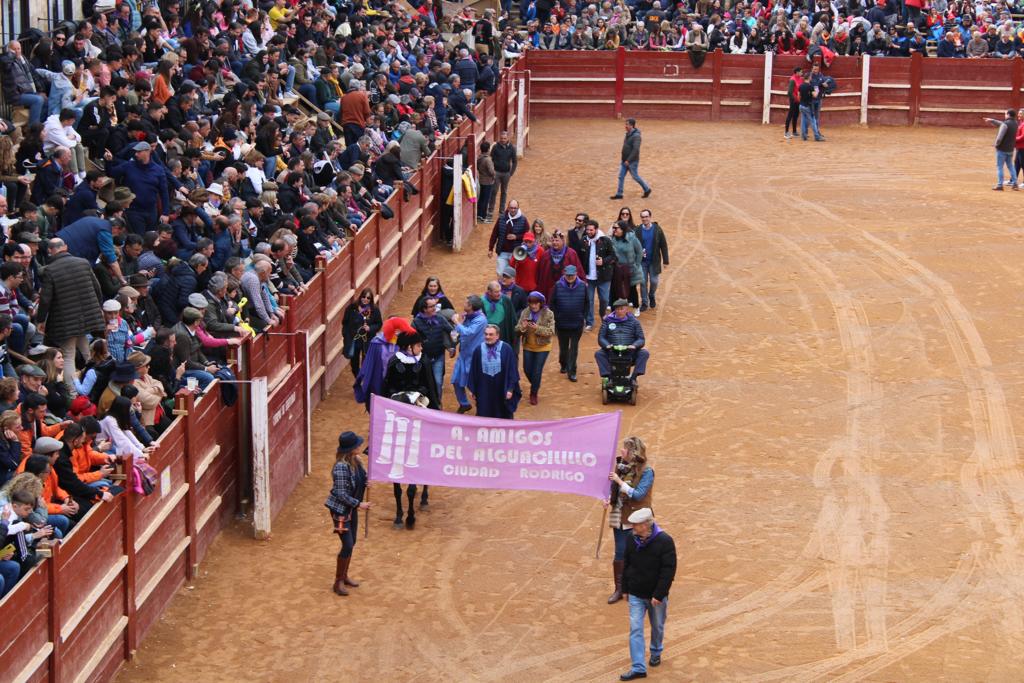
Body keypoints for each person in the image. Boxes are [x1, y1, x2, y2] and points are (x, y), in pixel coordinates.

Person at [382, 331, 438, 529]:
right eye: (418, 345)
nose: (421, 348)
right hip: (398, 407)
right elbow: (386, 388)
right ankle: (399, 510)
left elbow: (430, 387)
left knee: (427, 441)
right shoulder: (393, 362)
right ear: (409, 347)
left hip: (419, 405)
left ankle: (422, 491)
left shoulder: (424, 363)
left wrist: (422, 400)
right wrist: (398, 397)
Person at [37, 238, 106, 393]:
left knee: (68, 355)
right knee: (87, 351)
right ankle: (97, 382)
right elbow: (97, 287)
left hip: (65, 319)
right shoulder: (83, 262)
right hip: (87, 315)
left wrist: (40, 320)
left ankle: (73, 392)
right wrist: (98, 307)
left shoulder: (50, 270)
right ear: (66, 247)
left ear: (50, 251)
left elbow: (46, 298)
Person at [619, 507, 676, 681]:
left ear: (646, 525)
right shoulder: (631, 538)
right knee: (635, 628)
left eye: (636, 524)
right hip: (636, 593)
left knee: (657, 626)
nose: (632, 527)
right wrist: (626, 589)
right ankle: (638, 667)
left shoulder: (665, 541)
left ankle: (656, 650)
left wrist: (659, 595)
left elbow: (668, 570)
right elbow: (627, 563)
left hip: (655, 597)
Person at [606, 436, 653, 604]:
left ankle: (642, 587)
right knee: (620, 553)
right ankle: (620, 589)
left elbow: (638, 494)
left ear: (633, 452)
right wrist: (609, 498)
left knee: (643, 552)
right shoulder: (621, 467)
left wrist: (619, 482)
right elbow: (615, 491)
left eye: (624, 449)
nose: (621, 451)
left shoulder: (647, 471)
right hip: (618, 515)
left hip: (637, 519)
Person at [324, 430, 370, 596]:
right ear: (351, 449)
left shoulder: (356, 461)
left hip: (351, 509)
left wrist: (367, 482)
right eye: (357, 444)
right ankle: (338, 582)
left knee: (353, 542)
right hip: (341, 511)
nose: (359, 446)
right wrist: (359, 504)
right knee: (348, 544)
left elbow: (360, 479)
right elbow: (341, 494)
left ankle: (344, 576)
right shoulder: (341, 467)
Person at [467, 324, 521, 419]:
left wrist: (510, 389)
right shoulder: (478, 350)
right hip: (484, 389)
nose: (488, 337)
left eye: (491, 334)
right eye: (486, 334)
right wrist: (473, 389)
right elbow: (473, 371)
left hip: (501, 388)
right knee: (484, 413)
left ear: (497, 336)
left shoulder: (506, 349)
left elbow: (512, 370)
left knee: (503, 414)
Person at [596, 299, 650, 386]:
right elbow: (601, 337)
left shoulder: (634, 322)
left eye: (621, 309)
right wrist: (607, 345)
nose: (619, 311)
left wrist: (634, 345)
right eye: (617, 309)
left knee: (644, 353)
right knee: (599, 354)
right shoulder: (607, 321)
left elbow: (641, 339)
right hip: (612, 351)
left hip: (629, 352)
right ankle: (609, 378)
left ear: (627, 309)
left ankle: (633, 378)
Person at [411, 296, 454, 402]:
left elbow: (451, 331)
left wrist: (452, 345)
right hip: (422, 358)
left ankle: (437, 405)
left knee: (438, 382)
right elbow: (411, 339)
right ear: (424, 309)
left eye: (435, 306)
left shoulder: (440, 318)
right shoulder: (416, 322)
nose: (435, 308)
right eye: (432, 306)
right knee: (422, 382)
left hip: (438, 356)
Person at [548, 265, 587, 382]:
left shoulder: (582, 286)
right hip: (562, 324)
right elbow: (552, 303)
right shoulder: (558, 286)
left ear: (576, 275)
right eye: (568, 275)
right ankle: (563, 364)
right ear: (564, 275)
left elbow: (587, 303)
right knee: (564, 348)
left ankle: (572, 371)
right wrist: (556, 317)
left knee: (574, 349)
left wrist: (583, 317)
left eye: (572, 275)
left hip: (577, 323)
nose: (570, 277)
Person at [451, 295, 488, 414]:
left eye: (466, 303)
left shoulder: (480, 320)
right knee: (456, 381)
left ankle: (482, 408)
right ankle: (464, 404)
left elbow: (468, 333)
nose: (464, 304)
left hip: (475, 358)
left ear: (471, 306)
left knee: (474, 385)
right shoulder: (469, 316)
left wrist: (457, 322)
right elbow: (459, 333)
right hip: (464, 354)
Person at [516, 292, 554, 405]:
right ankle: (536, 384)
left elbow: (551, 331)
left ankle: (534, 393)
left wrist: (537, 328)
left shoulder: (548, 313)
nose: (533, 306)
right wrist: (522, 328)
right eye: (531, 303)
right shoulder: (525, 312)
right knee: (527, 369)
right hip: (528, 345)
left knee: (537, 371)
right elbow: (517, 330)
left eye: (536, 303)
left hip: (543, 346)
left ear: (541, 303)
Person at [581, 220, 616, 331]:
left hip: (603, 277)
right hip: (589, 277)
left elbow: (613, 256)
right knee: (589, 300)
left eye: (591, 230)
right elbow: (580, 257)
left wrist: (603, 261)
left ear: (596, 229)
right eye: (587, 230)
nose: (589, 232)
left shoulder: (605, 240)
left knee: (604, 299)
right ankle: (590, 322)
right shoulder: (583, 240)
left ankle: (603, 316)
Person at [342, 288, 383, 378]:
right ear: (360, 296)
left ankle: (365, 380)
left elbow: (379, 324)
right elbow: (345, 322)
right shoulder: (352, 308)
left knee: (367, 362)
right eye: (364, 297)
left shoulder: (374, 309)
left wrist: (370, 328)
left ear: (371, 299)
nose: (365, 299)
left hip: (367, 340)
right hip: (354, 340)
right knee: (354, 363)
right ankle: (358, 378)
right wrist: (346, 335)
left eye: (368, 298)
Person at [536, 230, 584, 301]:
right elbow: (541, 274)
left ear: (563, 241)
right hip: (548, 289)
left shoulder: (571, 254)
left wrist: (582, 284)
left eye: (557, 240)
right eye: (553, 240)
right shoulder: (545, 255)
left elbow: (578, 270)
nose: (554, 243)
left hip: (566, 290)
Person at [636, 210, 669, 311]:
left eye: (646, 216)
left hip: (654, 261)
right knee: (643, 283)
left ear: (650, 217)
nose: (644, 219)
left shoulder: (657, 229)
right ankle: (644, 302)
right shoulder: (637, 230)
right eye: (642, 217)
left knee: (654, 281)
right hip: (642, 262)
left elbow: (663, 244)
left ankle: (651, 295)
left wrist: (666, 260)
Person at [610, 118, 651, 200]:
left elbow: (636, 150)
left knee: (635, 176)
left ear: (632, 125)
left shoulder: (637, 136)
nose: (625, 126)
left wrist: (628, 160)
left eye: (627, 124)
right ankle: (619, 194)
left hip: (632, 161)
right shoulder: (628, 134)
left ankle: (647, 189)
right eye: (625, 124)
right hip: (624, 160)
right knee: (621, 176)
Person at [488, 199, 529, 277]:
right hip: (502, 252)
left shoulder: (523, 220)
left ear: (518, 208)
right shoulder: (501, 218)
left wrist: (516, 237)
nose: (513, 210)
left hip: (516, 254)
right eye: (511, 208)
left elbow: (527, 236)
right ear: (508, 208)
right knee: (500, 274)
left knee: (515, 275)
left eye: (515, 208)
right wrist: (490, 249)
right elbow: (494, 234)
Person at [985, 109, 1019, 191]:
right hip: (1010, 149)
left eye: (1005, 114)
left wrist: (996, 145)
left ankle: (1000, 185)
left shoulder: (1005, 124)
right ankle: (1015, 183)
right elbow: (1002, 124)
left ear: (1008, 114)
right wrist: (992, 120)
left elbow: (1000, 137)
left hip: (1002, 149)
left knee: (1000, 167)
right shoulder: (1015, 123)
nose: (1005, 115)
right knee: (1010, 166)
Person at [490, 130, 517, 217]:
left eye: (504, 138)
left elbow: (515, 161)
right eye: (501, 138)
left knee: (504, 192)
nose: (503, 140)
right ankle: (491, 210)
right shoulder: (495, 147)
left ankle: (501, 211)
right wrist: (493, 170)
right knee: (494, 191)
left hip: (506, 174)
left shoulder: (512, 148)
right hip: (497, 173)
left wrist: (511, 173)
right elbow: (491, 159)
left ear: (507, 138)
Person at [799, 73, 823, 142]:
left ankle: (804, 136)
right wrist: (817, 90)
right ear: (809, 78)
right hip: (808, 106)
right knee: (813, 121)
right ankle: (817, 136)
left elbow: (799, 95)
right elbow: (815, 95)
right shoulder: (810, 86)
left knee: (803, 120)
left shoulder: (801, 86)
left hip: (801, 105)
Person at [784, 67, 803, 140]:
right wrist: (795, 99)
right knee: (790, 115)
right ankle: (786, 132)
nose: (802, 73)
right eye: (801, 72)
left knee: (796, 115)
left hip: (798, 100)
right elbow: (789, 92)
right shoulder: (792, 80)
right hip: (793, 100)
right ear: (797, 72)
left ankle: (794, 131)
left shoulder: (800, 79)